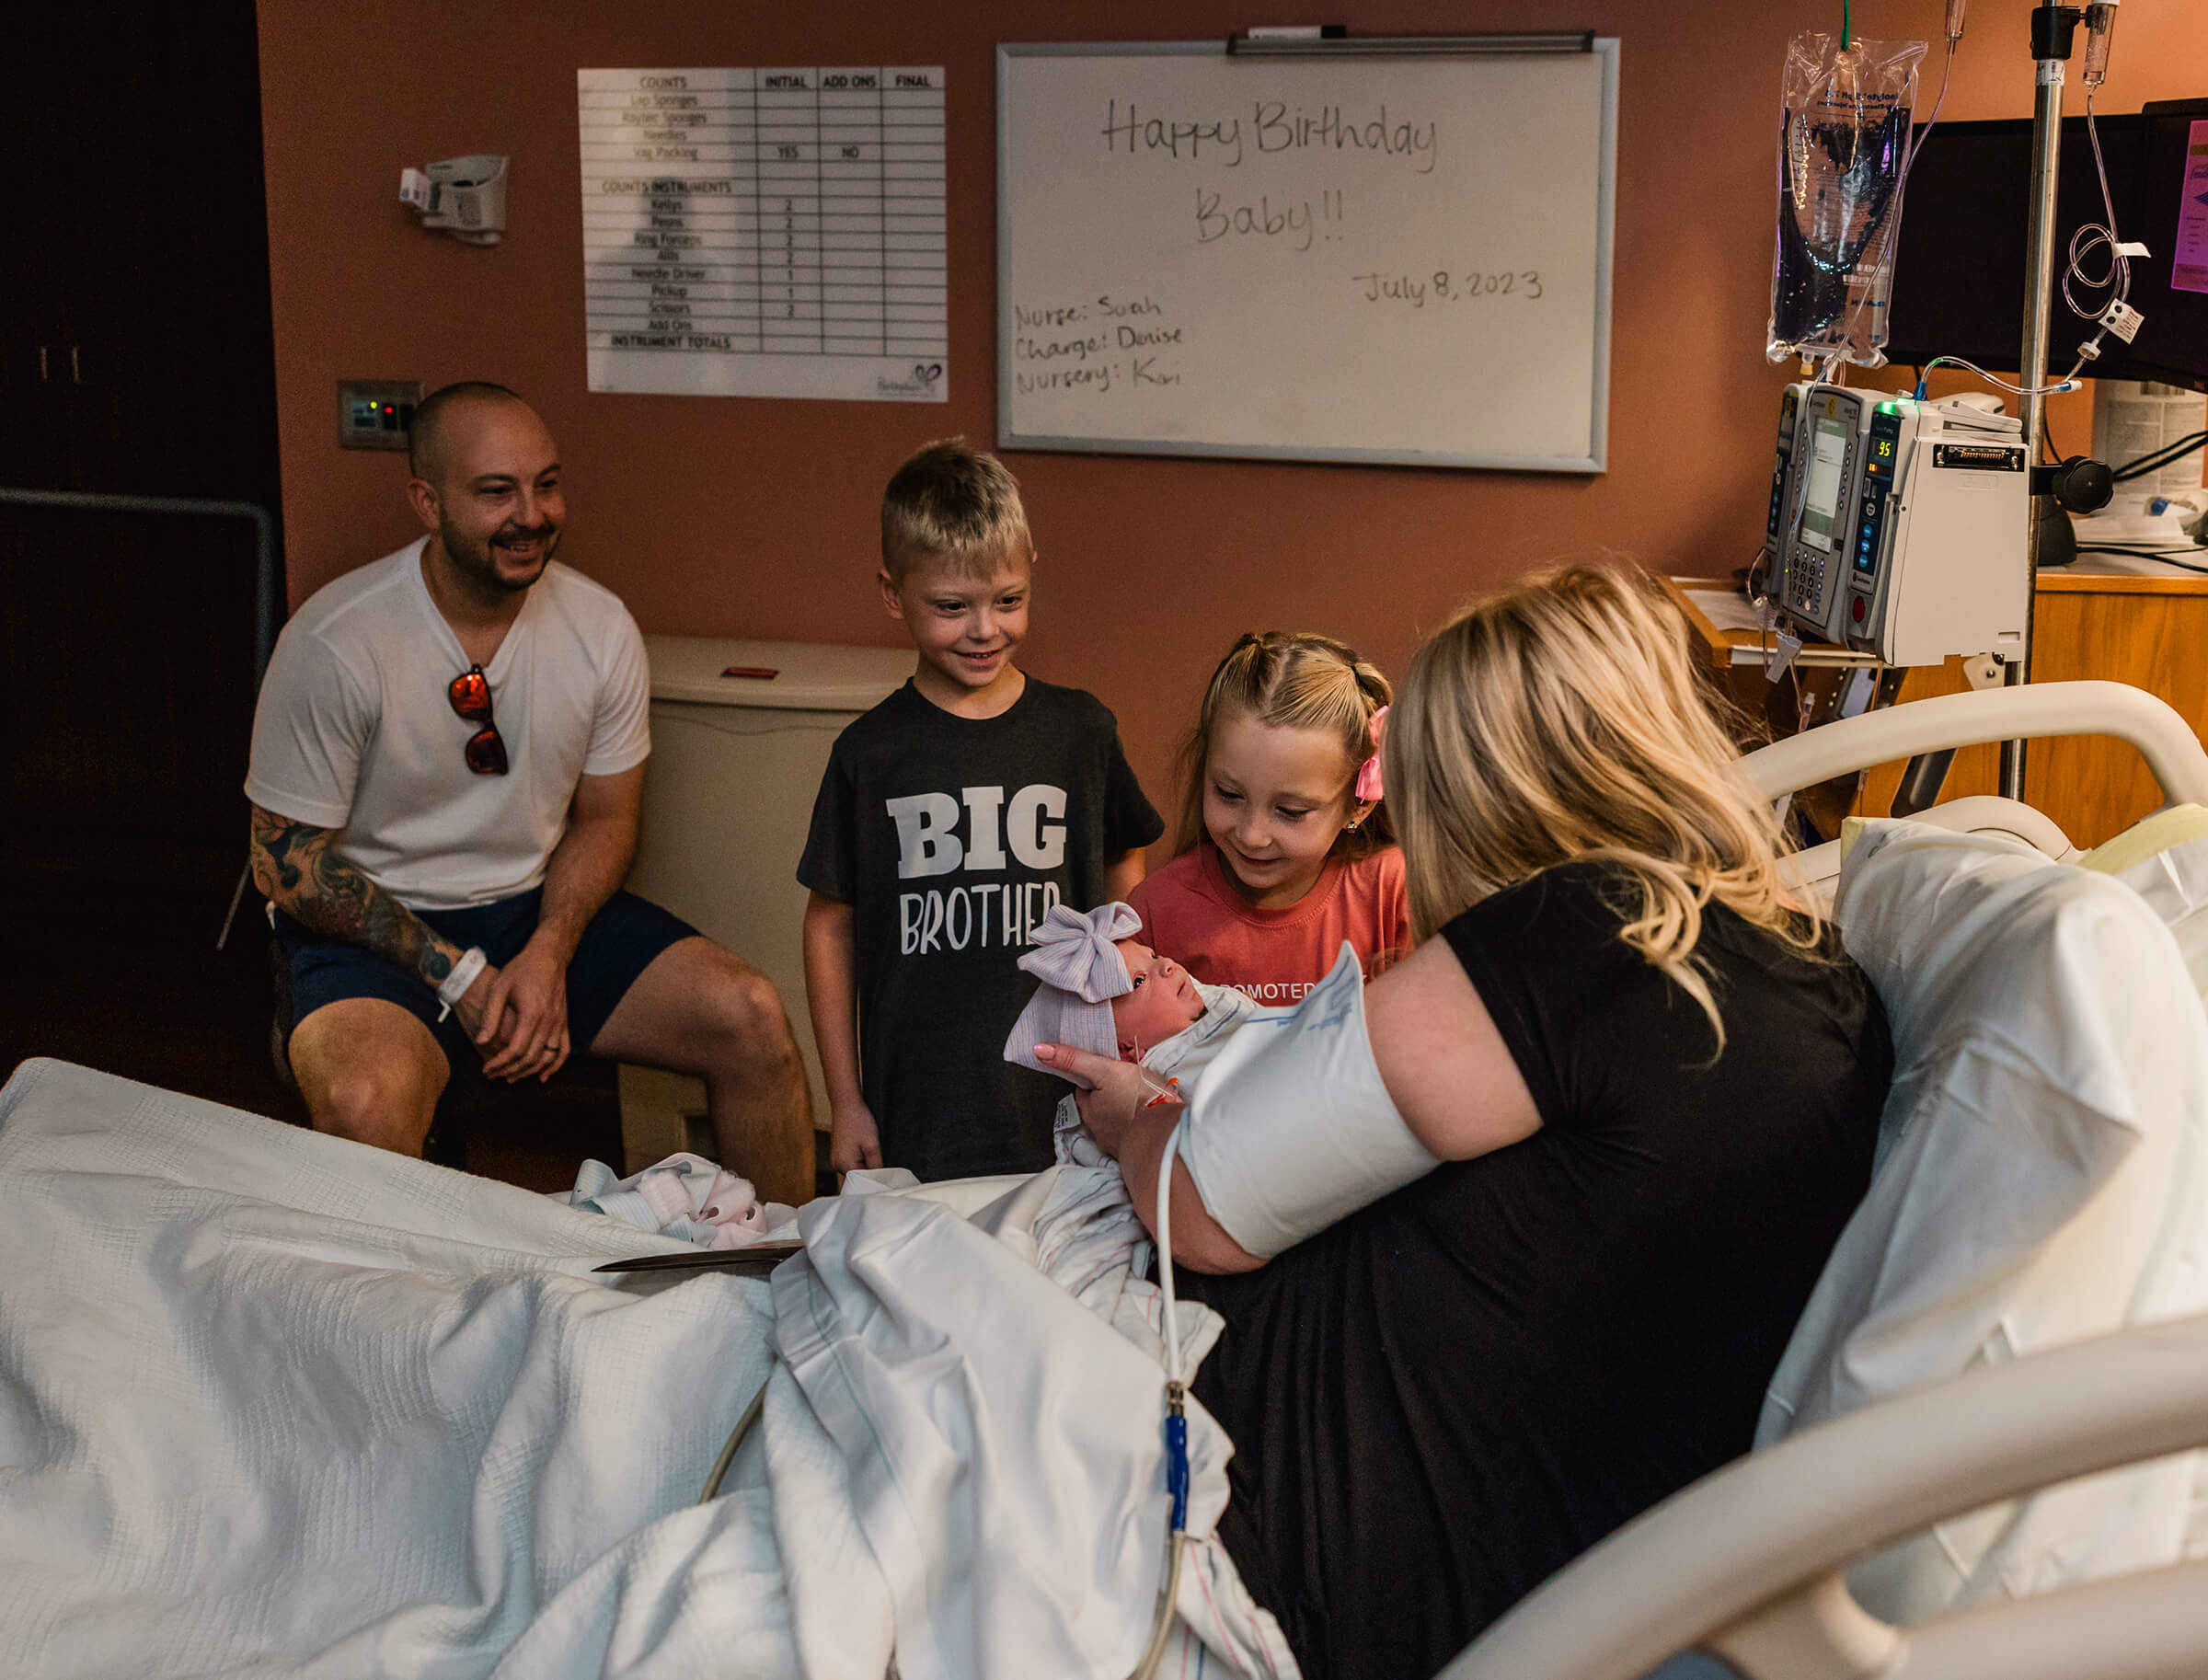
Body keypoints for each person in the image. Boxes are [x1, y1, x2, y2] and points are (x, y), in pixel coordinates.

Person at [1040, 567, 1893, 1680]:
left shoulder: (1583, 935)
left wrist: (1135, 1114)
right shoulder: (1792, 966)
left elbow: (1195, 1207)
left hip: (1304, 1533)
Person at [245, 382, 815, 1205]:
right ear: (426, 501)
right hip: (372, 929)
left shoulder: (599, 626)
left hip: (529, 910)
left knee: (753, 1019)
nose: (532, 513)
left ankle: (786, 1281)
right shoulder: (337, 641)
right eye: (495, 492)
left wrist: (547, 954)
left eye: (546, 484)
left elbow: (608, 819)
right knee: (365, 1105)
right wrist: (461, 978)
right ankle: (392, 1325)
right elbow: (282, 862)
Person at [798, 439, 1163, 1181]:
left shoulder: (1081, 731)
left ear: (1032, 571)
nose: (985, 629)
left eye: (1009, 600)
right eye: (951, 607)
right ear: (893, 593)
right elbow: (829, 924)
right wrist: (845, 1100)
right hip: (920, 1105)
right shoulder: (870, 755)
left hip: (1061, 1095)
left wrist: (1119, 975)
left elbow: (1125, 851)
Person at [1128, 630, 1409, 1004]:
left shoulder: (1396, 893)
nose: (1252, 835)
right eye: (1228, 794)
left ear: (1360, 803)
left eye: (1290, 812)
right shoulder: (1154, 912)